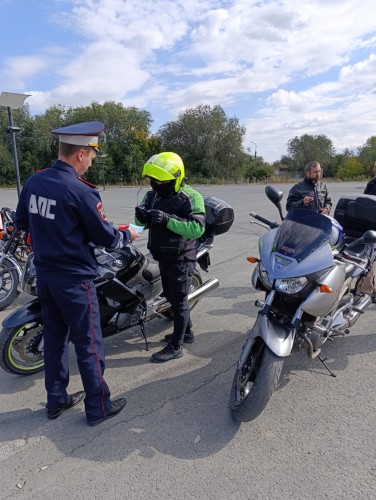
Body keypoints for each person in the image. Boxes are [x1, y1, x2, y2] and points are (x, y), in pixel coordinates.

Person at [15, 121, 139, 426]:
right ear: (81, 154)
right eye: (92, 155)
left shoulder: (35, 182)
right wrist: (128, 236)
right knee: (89, 343)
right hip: (75, 280)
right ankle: (98, 407)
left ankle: (56, 401)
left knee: (55, 338)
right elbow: (106, 238)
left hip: (45, 276)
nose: (92, 161)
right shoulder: (81, 191)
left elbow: (22, 223)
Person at [135, 152, 205, 363]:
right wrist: (142, 217)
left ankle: (176, 346)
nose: (156, 185)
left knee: (179, 301)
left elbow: (197, 229)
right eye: (153, 181)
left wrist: (167, 220)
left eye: (160, 181)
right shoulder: (152, 195)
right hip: (160, 255)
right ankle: (187, 333)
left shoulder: (191, 197)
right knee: (172, 297)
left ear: (176, 178)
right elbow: (141, 224)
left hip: (181, 257)